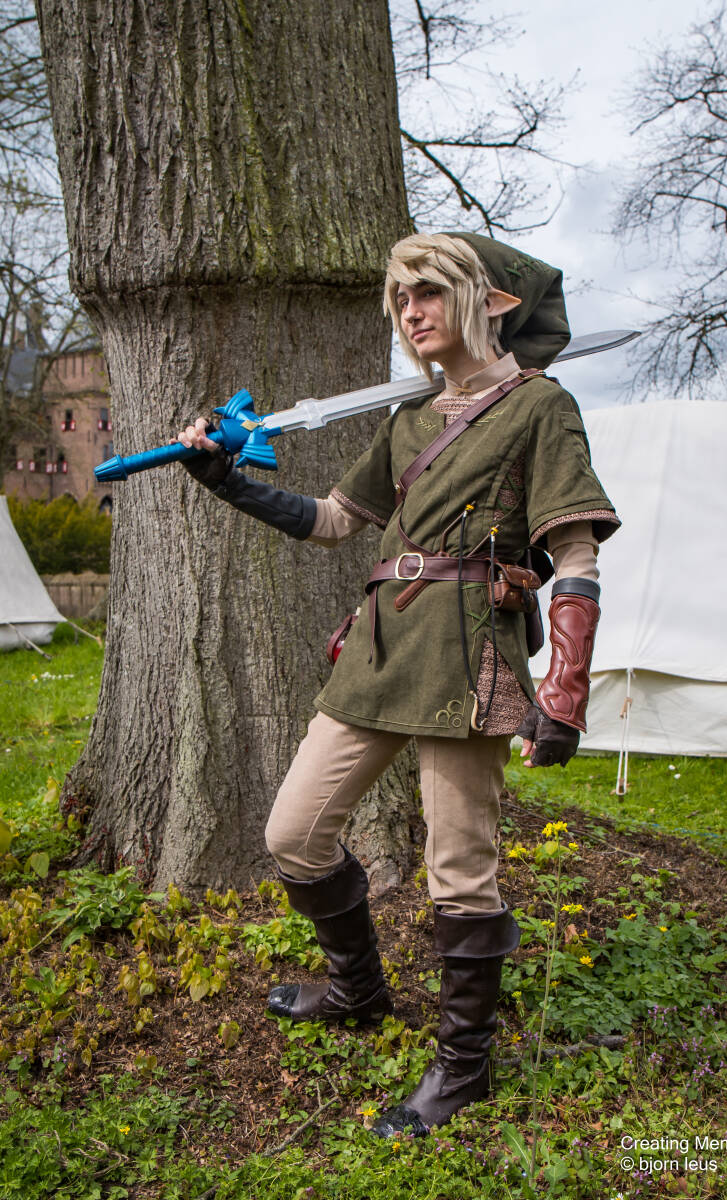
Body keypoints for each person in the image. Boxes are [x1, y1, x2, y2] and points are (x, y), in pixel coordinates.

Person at [178, 232, 620, 1138]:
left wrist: (565, 694)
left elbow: (574, 553)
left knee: (459, 871)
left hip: (469, 655)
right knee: (294, 832)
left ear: (488, 302)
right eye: (401, 300)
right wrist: (227, 482)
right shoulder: (410, 419)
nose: (411, 312)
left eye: (428, 292)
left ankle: (464, 1065)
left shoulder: (541, 407)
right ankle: (359, 990)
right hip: (380, 649)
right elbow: (334, 520)